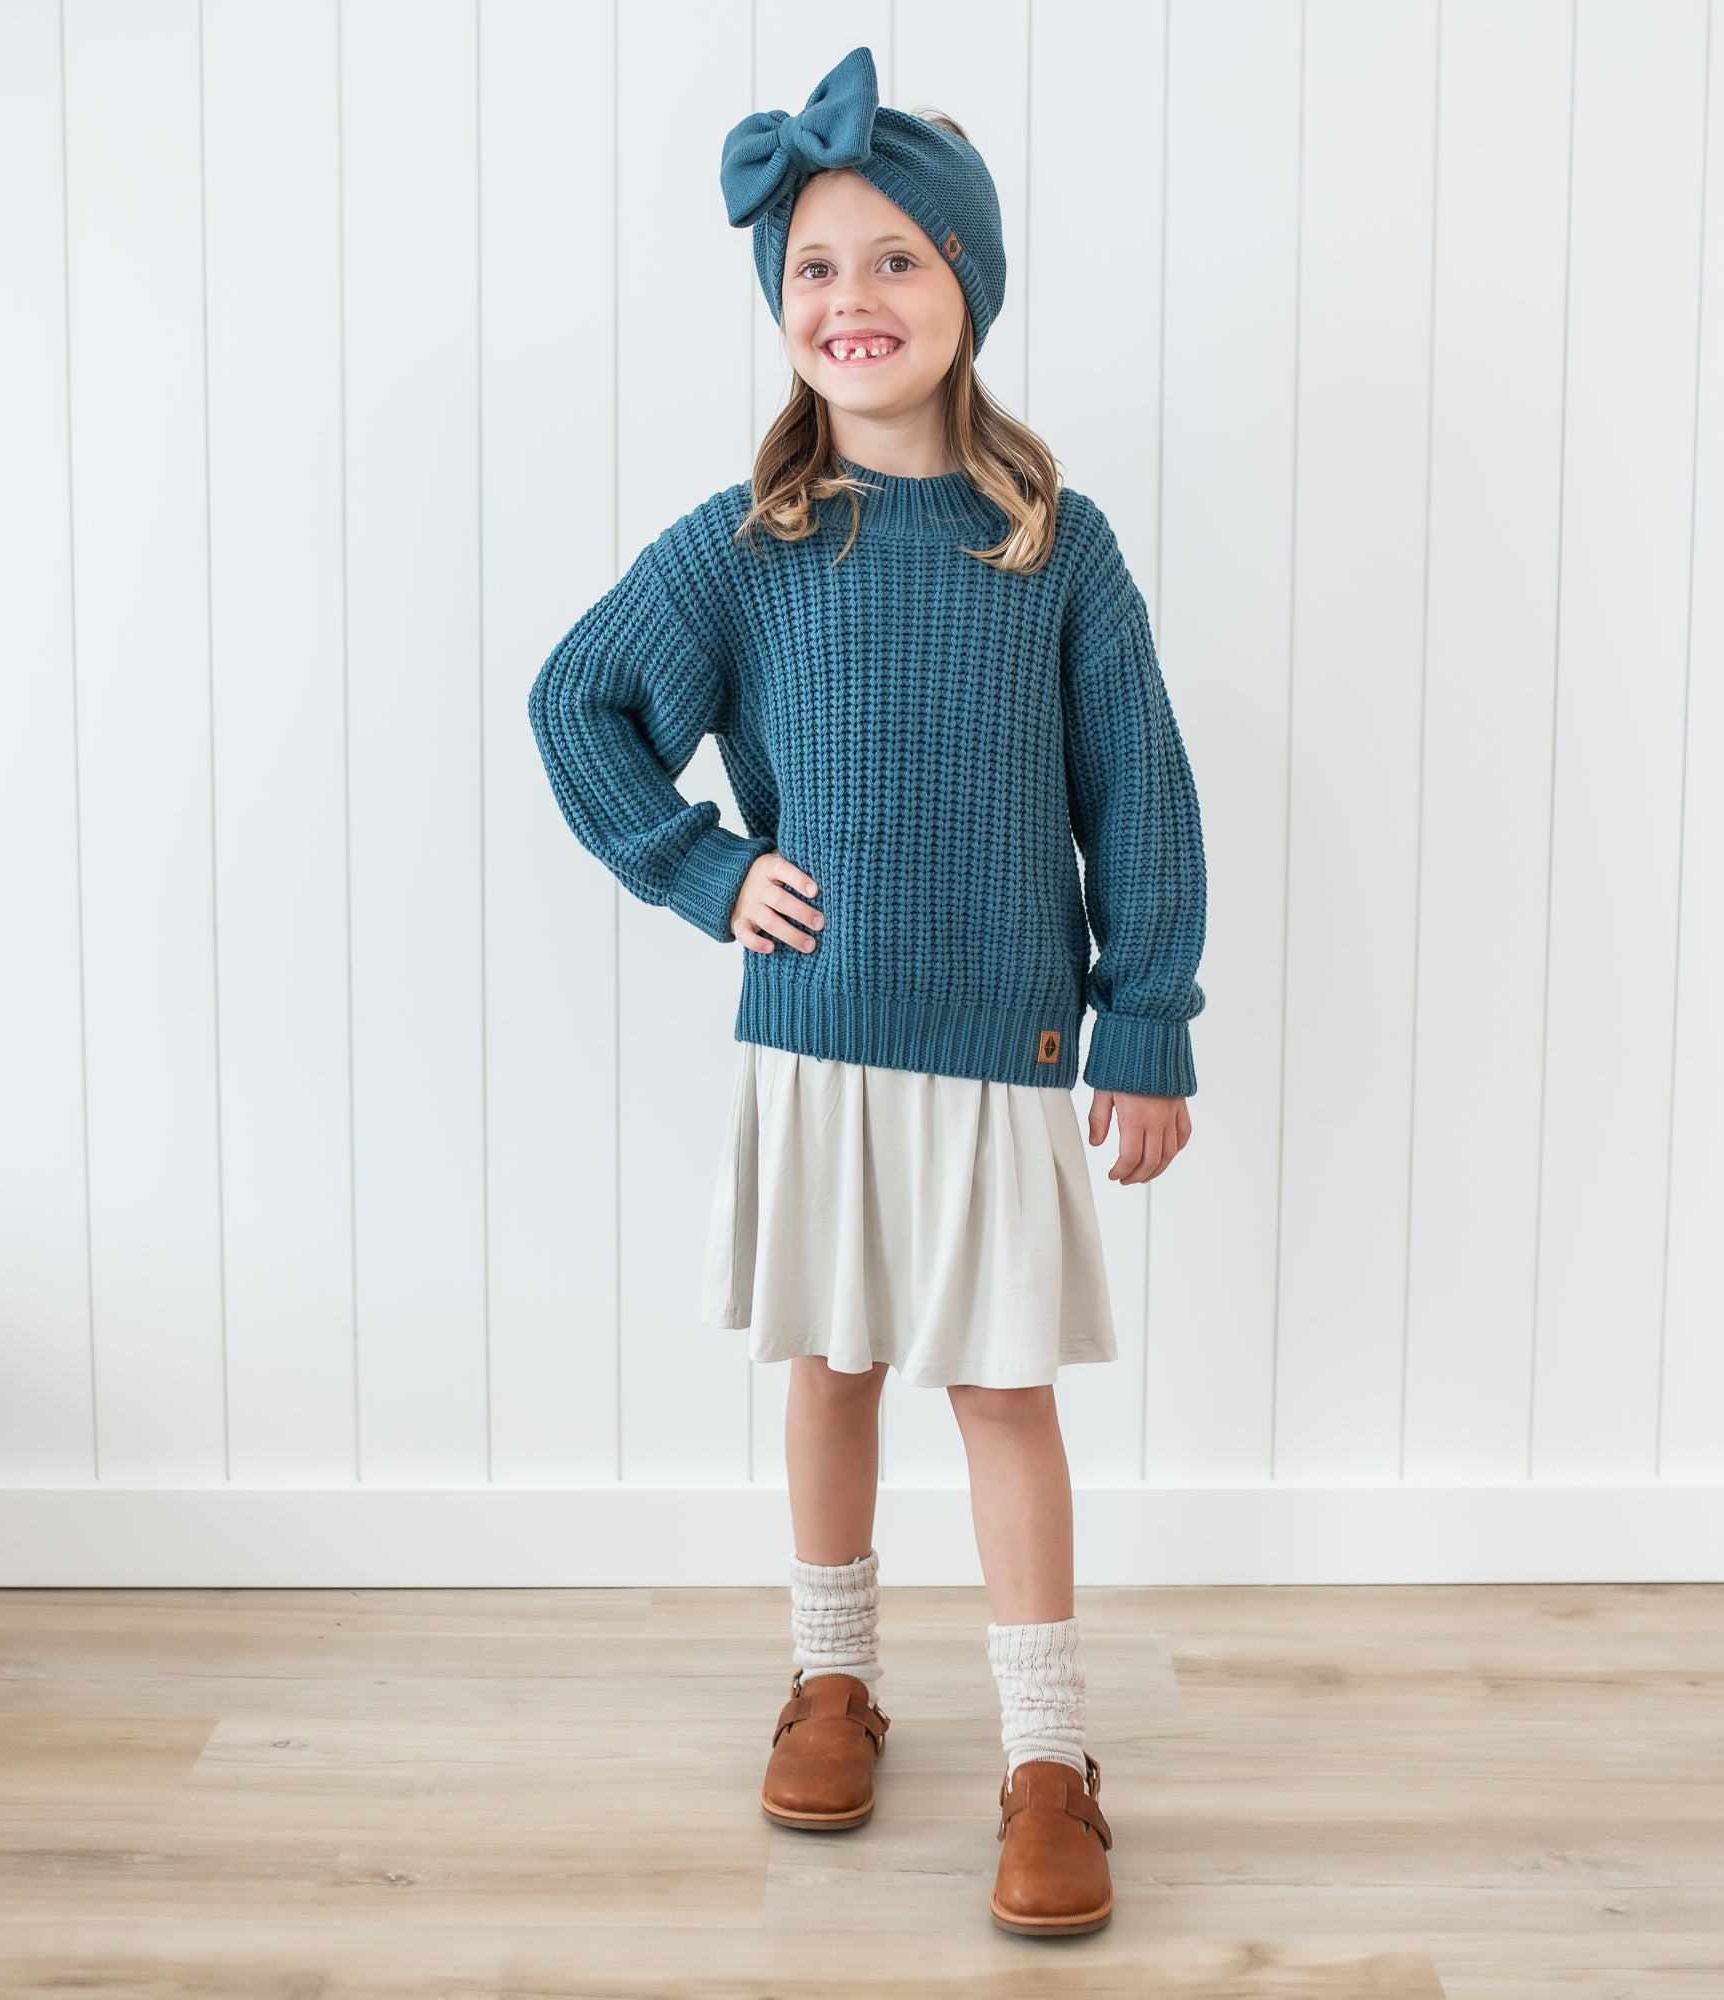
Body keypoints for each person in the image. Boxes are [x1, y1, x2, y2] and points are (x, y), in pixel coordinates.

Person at [526, 44, 1207, 1940]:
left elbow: (1139, 787)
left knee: (1000, 1393)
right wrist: (703, 869)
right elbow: (577, 704)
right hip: (819, 1046)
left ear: (967, 288)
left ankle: (1049, 1754)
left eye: (896, 261)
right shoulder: (751, 548)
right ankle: (835, 1678)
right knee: (830, 1365)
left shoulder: (1054, 548)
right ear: (781, 307)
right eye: (817, 268)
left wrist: (1147, 1014)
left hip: (1007, 1049)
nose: (855, 302)